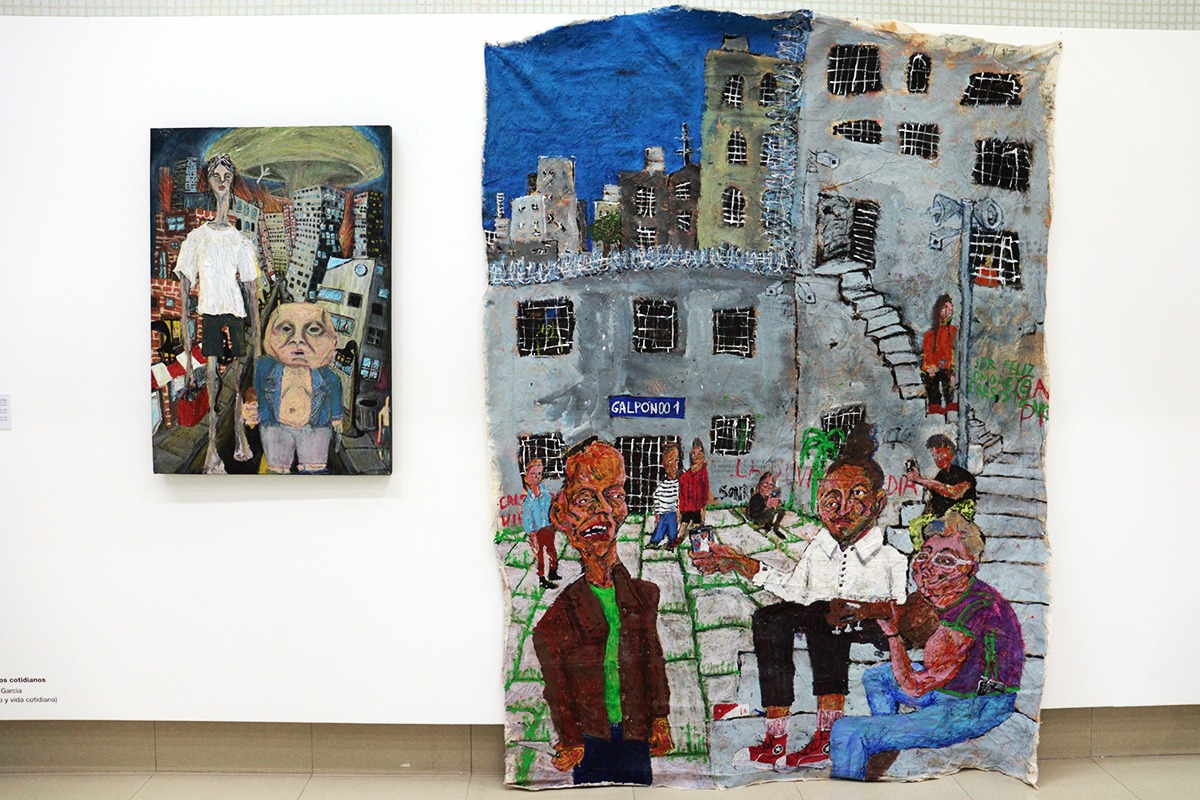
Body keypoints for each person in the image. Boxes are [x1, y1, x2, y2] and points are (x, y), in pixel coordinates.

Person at [692, 424, 907, 769]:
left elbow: (901, 611)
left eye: (857, 496)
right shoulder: (819, 548)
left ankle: (826, 737)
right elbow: (793, 590)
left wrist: (865, 609)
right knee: (771, 617)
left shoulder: (890, 557)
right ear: (820, 502)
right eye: (832, 499)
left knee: (827, 616)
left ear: (878, 503)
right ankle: (775, 738)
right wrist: (739, 563)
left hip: (870, 628)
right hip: (826, 617)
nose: (843, 509)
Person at [830, 515, 1023, 781]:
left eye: (946, 560)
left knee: (847, 731)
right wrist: (866, 609)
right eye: (925, 554)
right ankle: (885, 741)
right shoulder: (953, 591)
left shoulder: (975, 611)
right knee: (876, 677)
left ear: (970, 568)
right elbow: (907, 612)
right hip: (955, 686)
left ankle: (861, 761)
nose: (927, 566)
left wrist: (893, 634)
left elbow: (916, 686)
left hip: (977, 704)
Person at [532, 438, 673, 785]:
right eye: (585, 500)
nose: (604, 511)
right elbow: (558, 691)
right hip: (591, 736)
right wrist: (570, 739)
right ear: (562, 516)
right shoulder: (555, 624)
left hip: (636, 729)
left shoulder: (644, 597)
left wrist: (659, 717)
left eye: (615, 496)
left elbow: (652, 660)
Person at [174, 153, 262, 473]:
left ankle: (240, 435)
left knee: (237, 380)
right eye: (216, 177)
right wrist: (187, 359)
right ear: (209, 183)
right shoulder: (196, 238)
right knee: (211, 380)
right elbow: (184, 296)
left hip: (234, 313)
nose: (222, 182)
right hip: (210, 313)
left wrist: (259, 349)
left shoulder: (241, 241)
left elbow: (251, 293)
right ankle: (212, 447)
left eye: (227, 176)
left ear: (232, 181)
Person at [243, 303, 343, 473]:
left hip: (315, 427)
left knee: (314, 468)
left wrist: (336, 417)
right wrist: (252, 405)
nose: (298, 340)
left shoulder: (329, 376)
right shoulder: (263, 366)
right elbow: (256, 391)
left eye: (313, 329)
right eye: (286, 329)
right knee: (277, 468)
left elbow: (334, 389)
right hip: (274, 425)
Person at [905, 434, 977, 549]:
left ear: (951, 454)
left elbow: (953, 493)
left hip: (957, 521)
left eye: (942, 454)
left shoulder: (963, 475)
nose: (939, 458)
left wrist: (921, 480)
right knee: (915, 525)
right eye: (935, 455)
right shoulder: (940, 476)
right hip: (940, 519)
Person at [521, 458, 559, 589]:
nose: (537, 477)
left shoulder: (546, 493)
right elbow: (526, 518)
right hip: (536, 530)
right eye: (533, 474)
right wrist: (531, 532)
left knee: (551, 550)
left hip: (548, 527)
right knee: (540, 554)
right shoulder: (528, 500)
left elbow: (552, 507)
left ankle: (553, 571)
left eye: (539, 474)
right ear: (526, 477)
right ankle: (542, 578)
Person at [921, 294, 957, 417]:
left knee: (946, 376)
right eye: (944, 308)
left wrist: (952, 371)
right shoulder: (929, 335)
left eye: (950, 310)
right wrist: (930, 367)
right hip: (935, 370)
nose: (947, 312)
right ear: (938, 310)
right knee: (931, 376)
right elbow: (927, 357)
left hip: (948, 370)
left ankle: (950, 403)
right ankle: (934, 406)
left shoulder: (953, 331)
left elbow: (953, 354)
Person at [648, 443, 681, 549]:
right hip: (662, 513)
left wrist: (679, 511)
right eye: (670, 460)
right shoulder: (661, 485)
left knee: (672, 529)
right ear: (664, 463)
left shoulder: (678, 484)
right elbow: (657, 499)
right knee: (660, 528)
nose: (674, 465)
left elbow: (679, 499)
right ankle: (654, 541)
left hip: (672, 512)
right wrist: (657, 513)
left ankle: (671, 543)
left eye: (676, 461)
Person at [678, 438, 710, 539]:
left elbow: (705, 491)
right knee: (683, 528)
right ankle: (678, 540)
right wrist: (680, 510)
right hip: (687, 508)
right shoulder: (685, 477)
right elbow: (681, 494)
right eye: (694, 454)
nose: (697, 456)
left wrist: (703, 509)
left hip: (697, 508)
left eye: (699, 453)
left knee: (697, 529)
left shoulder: (703, 472)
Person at [745, 471, 786, 537]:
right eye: (765, 484)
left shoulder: (769, 497)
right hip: (756, 518)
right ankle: (767, 528)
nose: (768, 487)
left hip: (765, 517)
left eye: (771, 485)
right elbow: (754, 513)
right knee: (770, 511)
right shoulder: (757, 497)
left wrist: (776, 505)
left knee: (781, 508)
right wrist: (767, 506)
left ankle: (775, 528)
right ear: (760, 484)